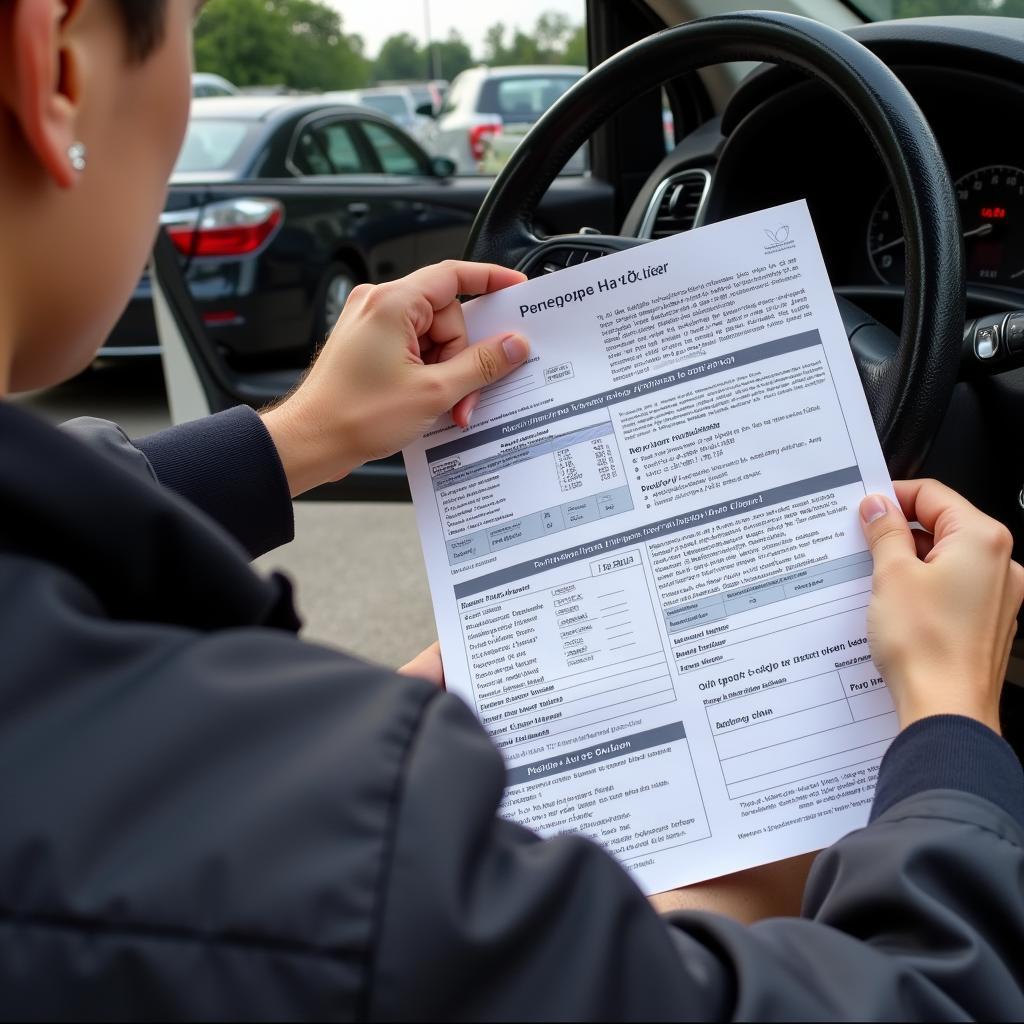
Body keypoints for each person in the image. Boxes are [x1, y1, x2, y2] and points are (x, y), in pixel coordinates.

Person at [1, 0, 1023, 1019]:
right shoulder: (363, 855)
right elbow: (928, 998)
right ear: (58, 65)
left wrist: (300, 434)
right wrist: (947, 722)